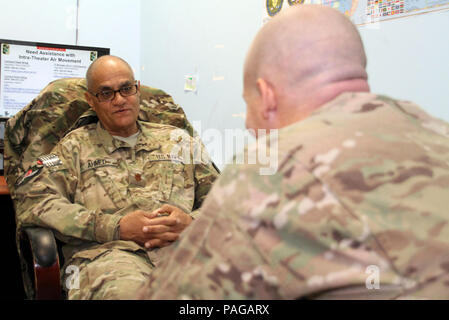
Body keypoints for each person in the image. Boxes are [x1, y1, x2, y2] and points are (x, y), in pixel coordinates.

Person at [138, 5, 449, 299]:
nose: (248, 125)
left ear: (267, 95)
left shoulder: (273, 167)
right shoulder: (435, 130)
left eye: (249, 106)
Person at [15, 55, 219, 299]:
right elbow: (34, 202)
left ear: (137, 89)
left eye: (126, 89)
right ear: (91, 100)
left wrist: (192, 223)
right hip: (108, 259)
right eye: (106, 93)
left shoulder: (179, 141)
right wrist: (115, 228)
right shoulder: (73, 148)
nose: (120, 100)